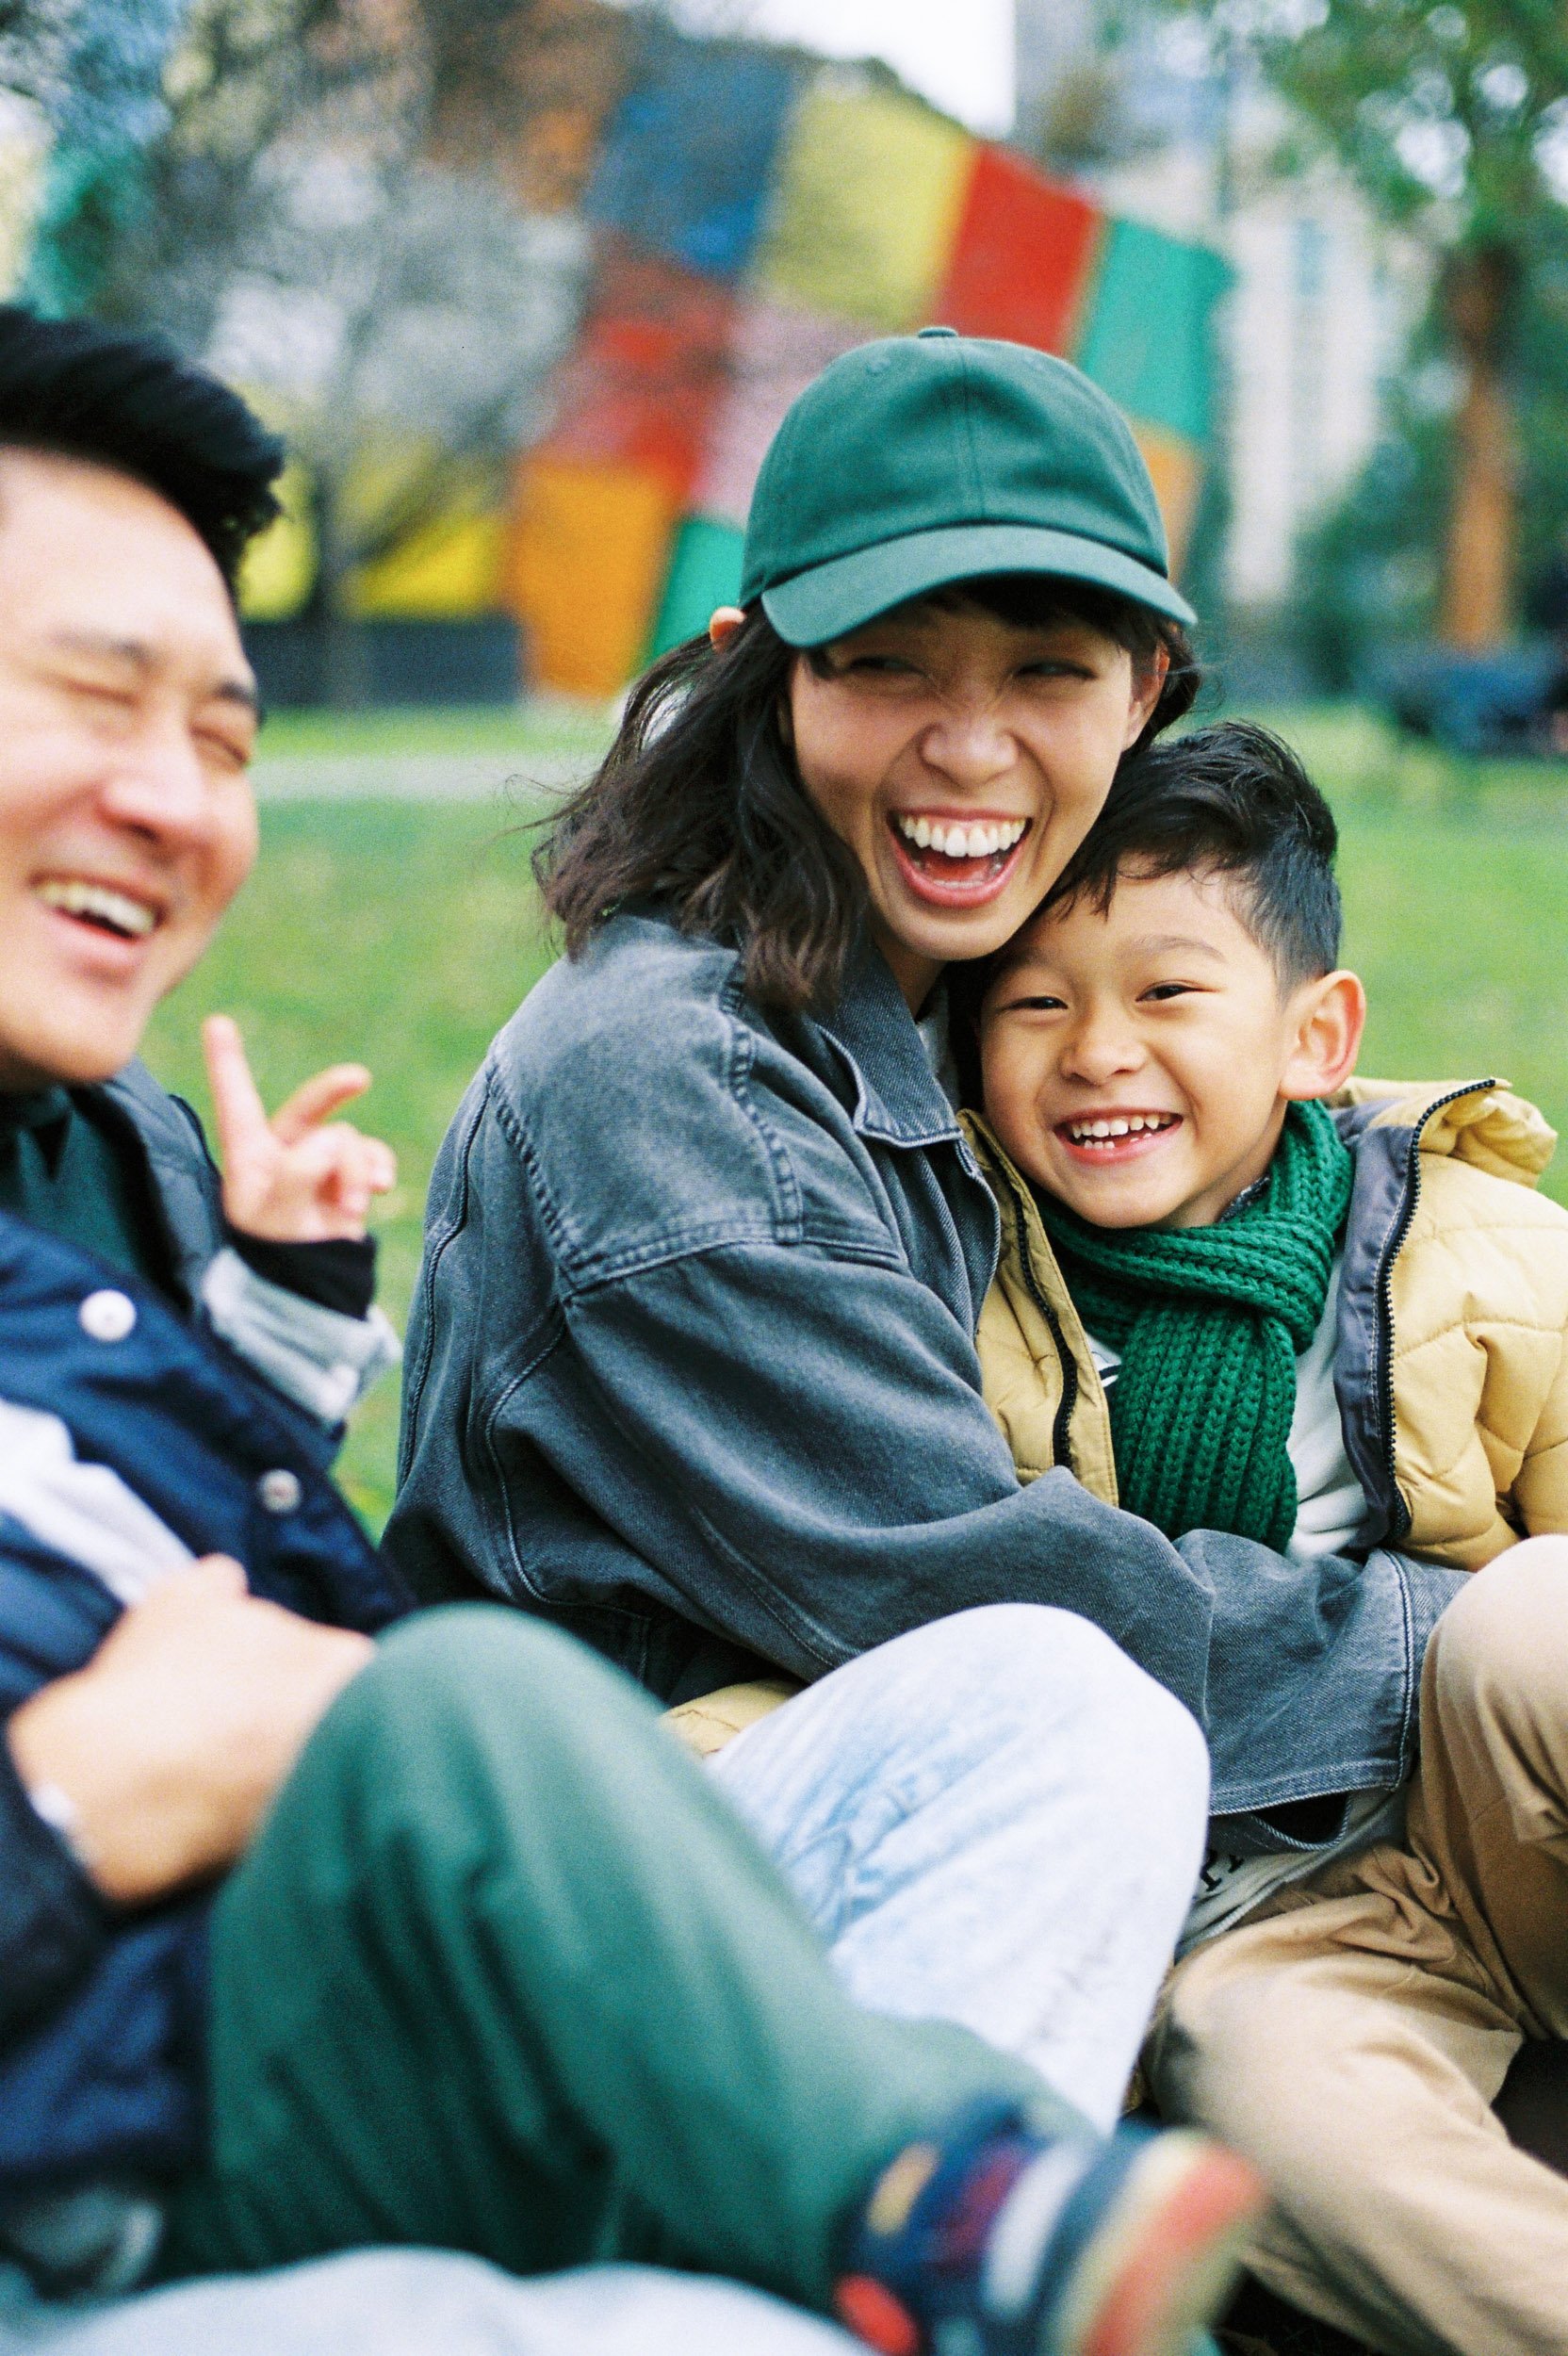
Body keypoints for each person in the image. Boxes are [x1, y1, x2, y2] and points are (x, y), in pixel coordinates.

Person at [0, 305, 1264, 2356]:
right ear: (775, 681)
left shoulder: (121, 1156)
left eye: (222, 739)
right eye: (91, 698)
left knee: (1057, 1708)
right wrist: (84, 1800)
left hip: (309, 2000)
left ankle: (925, 2223)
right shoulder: (667, 1067)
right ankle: (902, 2229)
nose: (170, 802)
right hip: (119, 2134)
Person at [388, 329, 1462, 1846]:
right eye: (884, 664)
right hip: (646, 1887)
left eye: (1045, 670)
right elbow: (983, 1599)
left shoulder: (985, 992)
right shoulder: (676, 1077)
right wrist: (1457, 1641)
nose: (969, 750)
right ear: (753, 673)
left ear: (1145, 687)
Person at [965, 716, 1568, 2356]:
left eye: (1167, 993)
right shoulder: (964, 1311)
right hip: (1266, 1914)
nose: (1097, 1049)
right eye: (1035, 1000)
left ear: (1316, 1037)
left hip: (1484, 1789)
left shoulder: (1479, 1255)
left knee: (1539, 1622)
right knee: (1272, 2112)